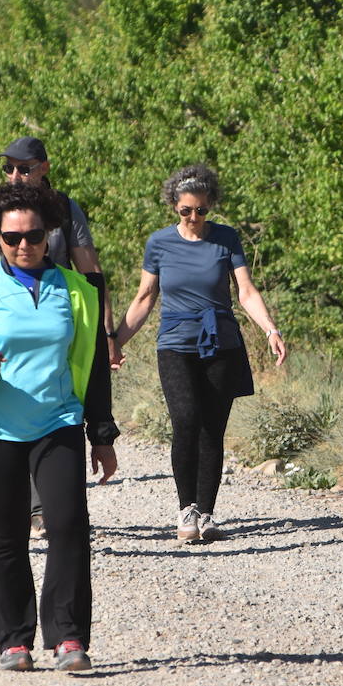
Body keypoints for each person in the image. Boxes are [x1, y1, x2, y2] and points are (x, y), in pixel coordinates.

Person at [0, 183, 118, 671]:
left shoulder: (79, 290)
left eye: (34, 235)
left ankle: (68, 637)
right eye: (11, 237)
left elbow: (95, 366)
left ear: (49, 234)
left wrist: (101, 434)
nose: (23, 245)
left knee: (68, 525)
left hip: (56, 422)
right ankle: (14, 639)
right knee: (6, 533)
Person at [115, 164, 286, 542]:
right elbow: (144, 299)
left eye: (201, 210)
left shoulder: (226, 239)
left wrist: (270, 329)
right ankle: (185, 509)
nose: (194, 218)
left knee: (213, 429)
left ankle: (206, 514)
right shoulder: (159, 243)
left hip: (221, 343)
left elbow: (246, 291)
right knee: (186, 419)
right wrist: (115, 341)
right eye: (186, 211)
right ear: (174, 208)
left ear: (211, 206)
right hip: (175, 344)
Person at [0, 136, 119, 538]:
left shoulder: (65, 209)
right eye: (8, 167)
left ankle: (47, 502)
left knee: (52, 404)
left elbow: (91, 272)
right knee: (13, 406)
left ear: (44, 168)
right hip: (4, 317)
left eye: (24, 167)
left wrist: (106, 333)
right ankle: (33, 505)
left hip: (59, 315)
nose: (15, 175)